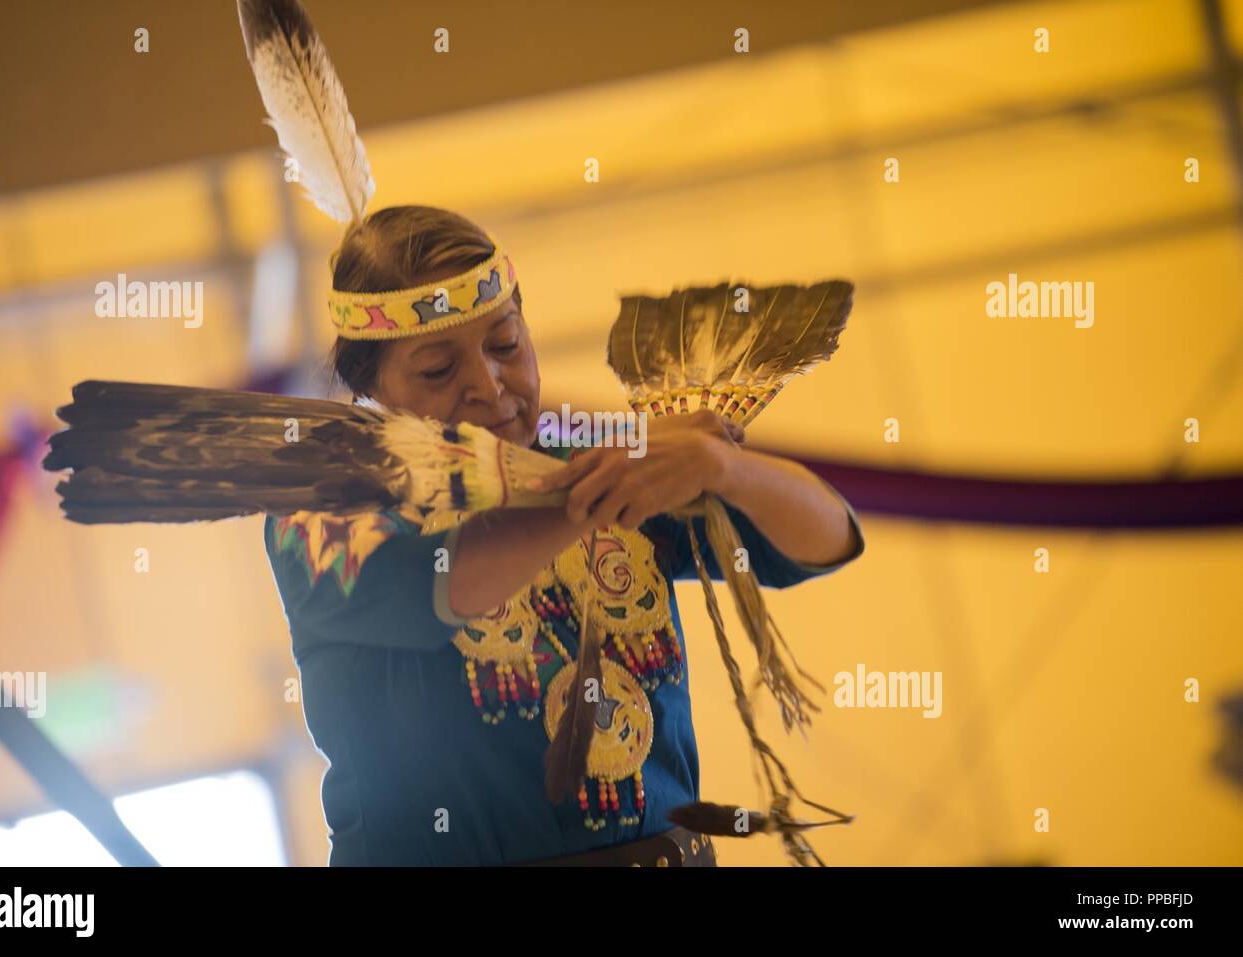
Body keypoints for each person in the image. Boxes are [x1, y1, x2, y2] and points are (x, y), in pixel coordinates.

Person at [263, 204, 865, 866]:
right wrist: (594, 494)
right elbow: (435, 584)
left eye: (505, 345)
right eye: (438, 370)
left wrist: (728, 467)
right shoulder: (326, 507)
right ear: (367, 384)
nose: (488, 385)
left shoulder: (585, 453)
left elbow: (825, 540)